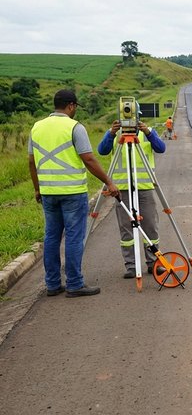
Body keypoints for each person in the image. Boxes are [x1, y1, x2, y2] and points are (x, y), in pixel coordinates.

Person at [28, 89, 119, 298]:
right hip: (72, 191)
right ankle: (75, 284)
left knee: (51, 237)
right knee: (73, 237)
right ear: (71, 106)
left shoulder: (37, 127)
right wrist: (108, 182)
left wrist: (37, 188)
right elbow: (88, 159)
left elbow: (31, 161)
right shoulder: (75, 127)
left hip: (48, 192)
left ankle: (52, 284)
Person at [97, 114, 166, 278]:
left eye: (134, 116)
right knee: (126, 230)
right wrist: (111, 134)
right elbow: (102, 151)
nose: (131, 120)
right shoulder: (115, 134)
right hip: (122, 189)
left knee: (150, 226)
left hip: (144, 187)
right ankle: (131, 266)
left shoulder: (146, 133)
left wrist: (148, 133)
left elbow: (161, 148)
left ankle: (153, 263)